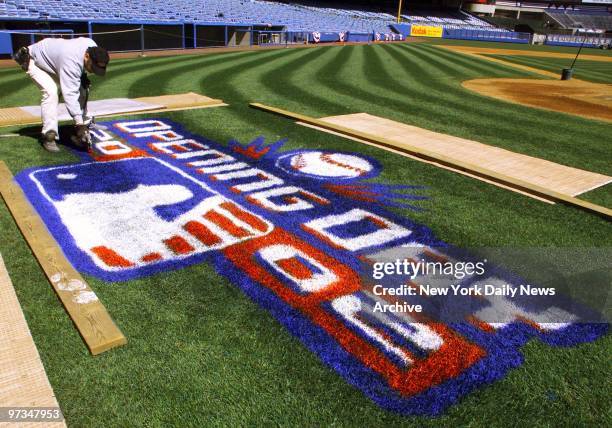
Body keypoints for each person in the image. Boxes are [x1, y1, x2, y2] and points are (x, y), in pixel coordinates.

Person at [13, 37, 109, 152]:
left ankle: (86, 122)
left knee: (83, 87)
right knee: (51, 92)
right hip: (34, 61)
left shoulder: (92, 46)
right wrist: (78, 124)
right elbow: (70, 95)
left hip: (54, 61)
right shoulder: (71, 61)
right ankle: (49, 135)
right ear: (87, 56)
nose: (93, 71)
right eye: (93, 67)